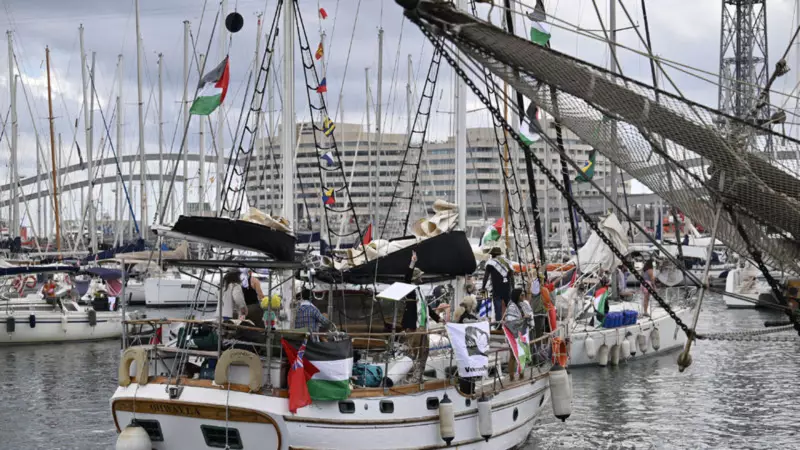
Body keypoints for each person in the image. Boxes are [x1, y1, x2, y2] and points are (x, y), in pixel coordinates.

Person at [402, 251, 442, 380]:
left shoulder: (420, 291)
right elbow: (407, 278)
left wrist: (438, 318)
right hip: (414, 327)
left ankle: (418, 376)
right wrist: (412, 262)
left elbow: (426, 307)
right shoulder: (409, 290)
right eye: (420, 276)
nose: (422, 278)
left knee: (424, 351)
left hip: (423, 326)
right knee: (412, 352)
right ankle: (408, 377)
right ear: (415, 278)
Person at [481, 247, 514, 322]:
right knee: (510, 308)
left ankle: (498, 325)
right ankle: (511, 323)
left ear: (492, 254)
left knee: (498, 310)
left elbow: (486, 277)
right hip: (507, 288)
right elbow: (512, 276)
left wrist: (483, 287)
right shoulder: (507, 262)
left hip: (497, 289)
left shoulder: (490, 263)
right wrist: (513, 287)